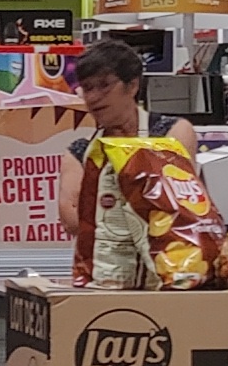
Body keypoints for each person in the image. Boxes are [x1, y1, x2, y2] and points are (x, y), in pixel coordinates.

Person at [55, 38, 164, 286]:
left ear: (132, 85)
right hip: (104, 277)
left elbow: (174, 208)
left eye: (104, 85)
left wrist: (107, 209)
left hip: (166, 276)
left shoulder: (171, 133)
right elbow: (71, 219)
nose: (94, 97)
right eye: (87, 88)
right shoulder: (79, 152)